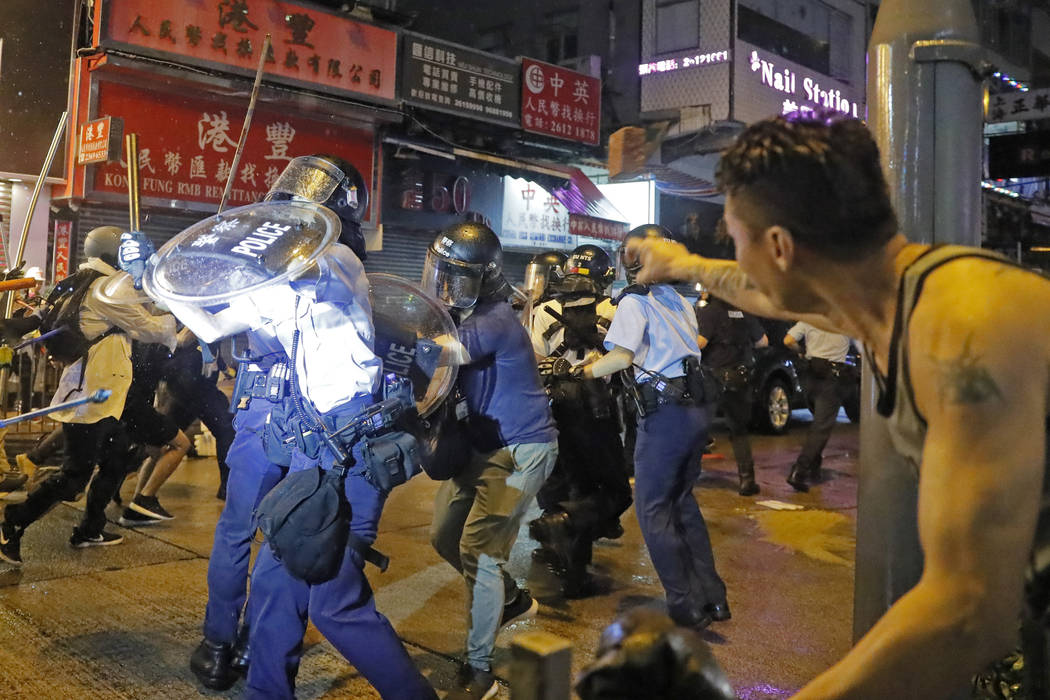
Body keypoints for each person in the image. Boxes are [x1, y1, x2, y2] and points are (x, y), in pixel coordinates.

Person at [625, 111, 1050, 697]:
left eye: (734, 239)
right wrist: (684, 265)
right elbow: (764, 291)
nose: (732, 254)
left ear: (779, 246)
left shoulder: (965, 330)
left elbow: (970, 611)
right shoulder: (889, 298)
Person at [121, 154, 437, 700]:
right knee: (275, 577)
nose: (291, 219)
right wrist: (153, 276)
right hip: (316, 446)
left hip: (355, 447)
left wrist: (245, 252)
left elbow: (305, 267)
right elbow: (214, 321)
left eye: (301, 212)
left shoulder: (333, 260)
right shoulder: (286, 278)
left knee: (334, 604)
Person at [424, 221, 559, 699]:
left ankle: (479, 667)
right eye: (443, 273)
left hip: (522, 452)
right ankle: (512, 598)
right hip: (484, 448)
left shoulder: (496, 320)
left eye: (457, 276)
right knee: (444, 536)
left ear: (485, 278)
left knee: (478, 552)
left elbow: (436, 353)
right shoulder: (465, 317)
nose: (446, 284)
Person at [577, 224, 729, 631]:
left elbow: (621, 360)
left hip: (664, 415)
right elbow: (690, 346)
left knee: (653, 509)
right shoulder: (679, 300)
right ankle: (713, 598)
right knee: (682, 503)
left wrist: (580, 371)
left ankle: (684, 604)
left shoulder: (634, 302)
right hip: (696, 410)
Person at [0, 226, 178, 566]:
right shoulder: (105, 289)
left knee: (119, 457)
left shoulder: (77, 281)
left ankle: (91, 528)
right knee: (74, 477)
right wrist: (178, 318)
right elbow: (148, 327)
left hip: (106, 393)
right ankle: (13, 522)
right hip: (90, 397)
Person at [529, 243, 632, 598]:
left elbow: (536, 363)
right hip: (597, 411)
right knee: (606, 491)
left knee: (560, 486)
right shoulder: (614, 310)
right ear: (605, 277)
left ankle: (562, 555)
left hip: (553, 407)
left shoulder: (543, 310)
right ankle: (572, 562)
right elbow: (625, 361)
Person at [696, 293, 768, 495]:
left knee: (697, 429)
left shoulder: (710, 312)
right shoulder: (744, 310)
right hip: (739, 379)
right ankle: (747, 480)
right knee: (739, 431)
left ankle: (686, 477)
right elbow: (763, 341)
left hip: (713, 378)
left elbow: (700, 342)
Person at [782, 322, 851, 492]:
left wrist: (802, 352)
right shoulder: (844, 319)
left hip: (811, 375)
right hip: (831, 376)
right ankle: (799, 471)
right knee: (822, 427)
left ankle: (814, 465)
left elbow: (788, 340)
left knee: (818, 423)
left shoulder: (809, 317)